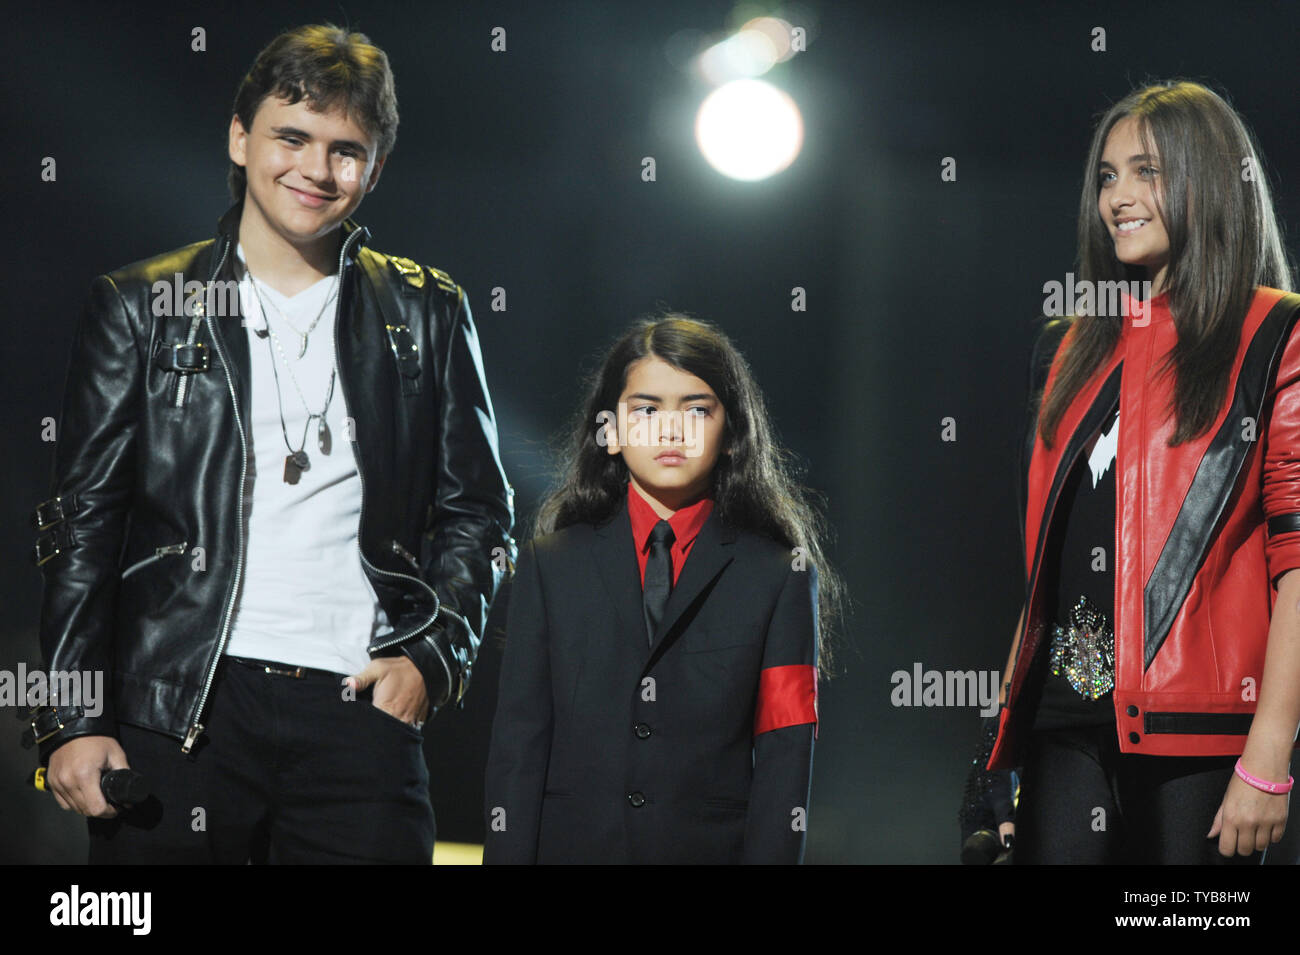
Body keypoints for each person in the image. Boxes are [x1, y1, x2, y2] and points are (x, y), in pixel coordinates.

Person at [25, 23, 515, 864]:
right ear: (240, 136)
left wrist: (431, 659)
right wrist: (68, 718)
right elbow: (80, 524)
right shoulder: (142, 303)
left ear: (375, 168)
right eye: (292, 136)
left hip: (359, 711)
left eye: (345, 150)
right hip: (178, 707)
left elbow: (481, 513)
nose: (316, 171)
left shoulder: (428, 312)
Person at [985, 80, 1300, 864]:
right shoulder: (1067, 348)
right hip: (1066, 725)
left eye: (1146, 172)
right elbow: (1045, 573)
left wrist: (1267, 757)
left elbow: (1297, 563)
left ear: (1208, 177)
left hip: (1202, 739)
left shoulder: (1275, 334)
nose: (1117, 196)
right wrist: (996, 754)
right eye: (1106, 176)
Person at [482, 315, 842, 863]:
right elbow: (518, 747)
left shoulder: (779, 575)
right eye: (645, 409)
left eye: (697, 410)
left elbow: (784, 754)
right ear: (611, 428)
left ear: (732, 432)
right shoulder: (547, 567)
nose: (671, 431)